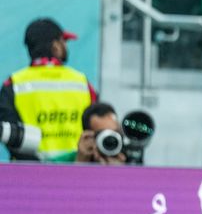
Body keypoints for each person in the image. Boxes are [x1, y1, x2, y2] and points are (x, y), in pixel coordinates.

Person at [0, 18, 97, 161]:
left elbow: (7, 133)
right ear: (55, 46)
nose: (65, 46)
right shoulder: (81, 81)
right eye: (64, 41)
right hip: (77, 169)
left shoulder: (13, 83)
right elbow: (98, 124)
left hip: (28, 174)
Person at [50, 102, 127, 164]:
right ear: (87, 137)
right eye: (102, 134)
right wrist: (80, 163)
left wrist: (120, 172)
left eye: (114, 133)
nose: (110, 139)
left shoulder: (129, 160)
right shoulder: (58, 163)